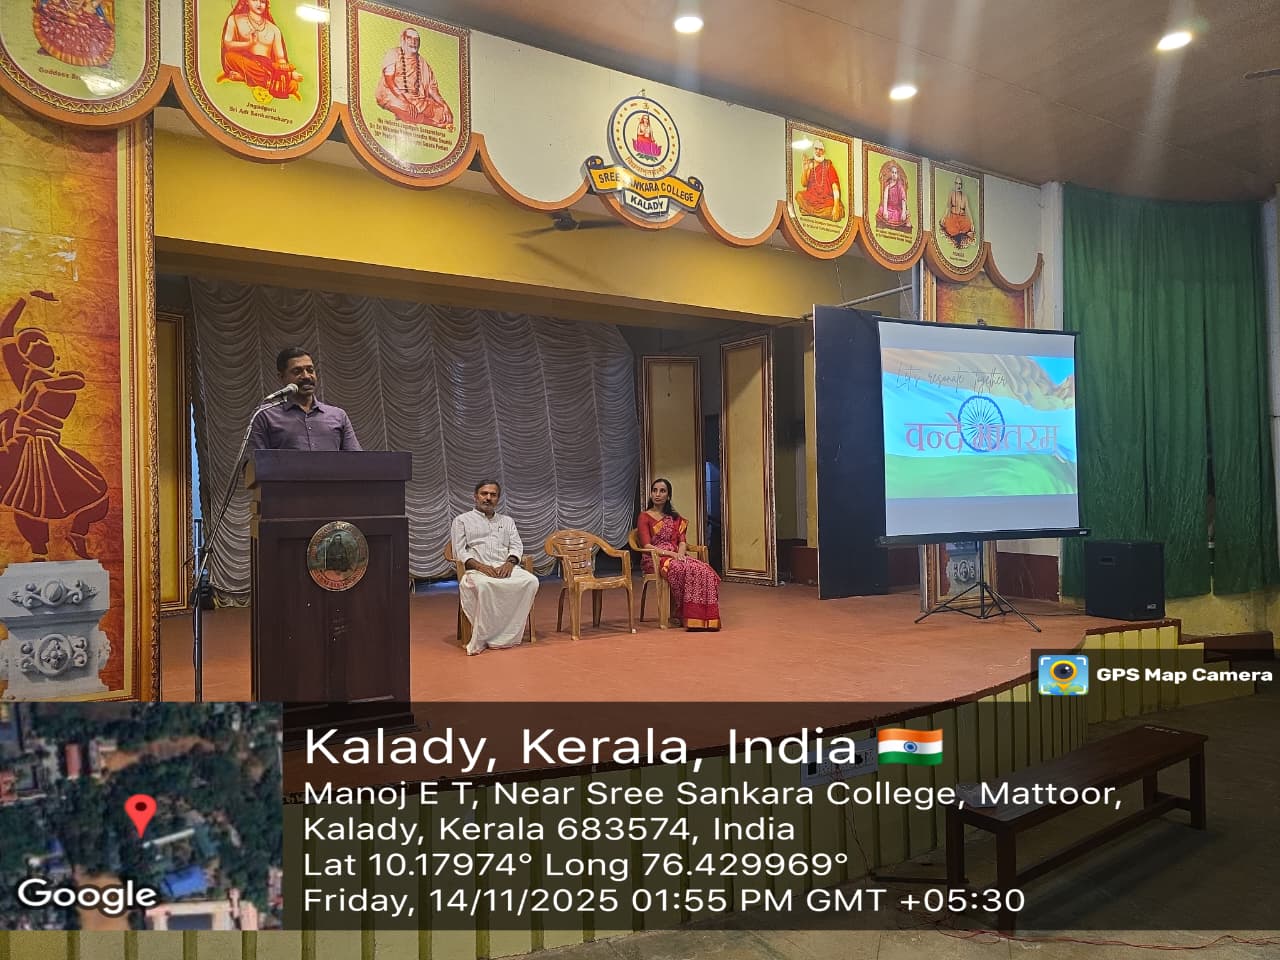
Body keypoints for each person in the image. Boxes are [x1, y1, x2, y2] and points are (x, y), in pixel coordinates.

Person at [0, 291, 109, 560]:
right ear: (25, 355)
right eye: (32, 343)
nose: (40, 344)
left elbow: (77, 381)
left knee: (98, 493)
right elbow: (5, 331)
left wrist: (45, 385)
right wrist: (25, 297)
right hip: (27, 444)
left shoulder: (62, 378)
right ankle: (39, 552)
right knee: (28, 500)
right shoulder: (25, 375)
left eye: (43, 340)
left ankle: (77, 533)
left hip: (51, 446)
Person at [451, 481, 538, 655]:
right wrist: (481, 567)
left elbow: (516, 546)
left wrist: (510, 563)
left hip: (505, 568)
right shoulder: (461, 521)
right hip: (476, 570)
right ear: (475, 496)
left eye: (493, 494)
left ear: (498, 498)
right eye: (484, 494)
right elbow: (459, 551)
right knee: (484, 586)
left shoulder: (507, 521)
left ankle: (509, 633)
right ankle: (485, 636)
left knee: (531, 581)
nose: (488, 498)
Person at [636, 478, 720, 630]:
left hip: (676, 555)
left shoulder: (675, 518)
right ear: (650, 494)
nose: (657, 494)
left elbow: (682, 541)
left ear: (668, 495)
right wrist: (671, 554)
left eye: (662, 491)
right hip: (654, 558)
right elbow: (646, 545)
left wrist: (680, 554)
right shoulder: (644, 516)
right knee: (678, 568)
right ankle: (682, 614)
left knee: (703, 570)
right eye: (654, 490)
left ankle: (702, 618)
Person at [248, 347, 361, 451]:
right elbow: (255, 462)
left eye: (310, 370)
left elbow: (356, 460)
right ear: (281, 377)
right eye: (297, 371)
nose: (306, 376)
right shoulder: (264, 415)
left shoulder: (338, 416)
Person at [219, 0, 303, 101]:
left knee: (293, 85)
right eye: (255, 0)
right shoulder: (234, 20)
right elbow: (227, 45)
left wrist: (286, 71)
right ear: (246, 1)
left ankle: (247, 78)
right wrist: (248, 44)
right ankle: (272, 82)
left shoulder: (274, 29)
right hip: (246, 61)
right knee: (229, 57)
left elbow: (280, 58)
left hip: (268, 66)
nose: (259, 4)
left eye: (263, 1)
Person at [376, 28, 454, 128]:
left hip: (415, 98)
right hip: (393, 95)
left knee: (446, 116)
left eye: (416, 39)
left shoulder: (421, 62)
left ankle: (414, 116)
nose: (413, 42)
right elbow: (390, 82)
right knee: (405, 110)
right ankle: (434, 124)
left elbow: (432, 89)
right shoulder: (393, 53)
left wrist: (444, 105)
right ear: (403, 39)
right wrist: (406, 102)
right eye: (409, 38)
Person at [794, 140, 844, 220]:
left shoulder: (828, 165)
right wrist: (805, 169)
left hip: (826, 200)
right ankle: (818, 213)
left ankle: (809, 211)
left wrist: (836, 206)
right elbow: (804, 184)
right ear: (813, 150)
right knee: (798, 196)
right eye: (816, 149)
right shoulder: (810, 163)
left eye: (820, 149)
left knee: (838, 210)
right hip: (812, 198)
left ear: (824, 152)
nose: (818, 151)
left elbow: (835, 186)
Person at [938, 176, 975, 247]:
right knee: (948, 224)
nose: (958, 185)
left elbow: (968, 209)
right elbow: (948, 207)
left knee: (968, 224)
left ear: (962, 185)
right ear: (955, 184)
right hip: (953, 217)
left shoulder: (965, 196)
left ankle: (960, 235)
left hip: (962, 218)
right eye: (957, 183)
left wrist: (972, 223)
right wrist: (943, 217)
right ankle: (962, 234)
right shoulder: (951, 194)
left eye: (960, 184)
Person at [875, 161, 911, 229]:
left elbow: (903, 199)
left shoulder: (899, 186)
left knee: (906, 214)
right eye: (893, 172)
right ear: (890, 174)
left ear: (897, 174)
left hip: (897, 209)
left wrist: (903, 212)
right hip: (889, 208)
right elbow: (885, 199)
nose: (894, 174)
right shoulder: (888, 186)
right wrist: (885, 210)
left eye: (895, 173)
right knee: (881, 210)